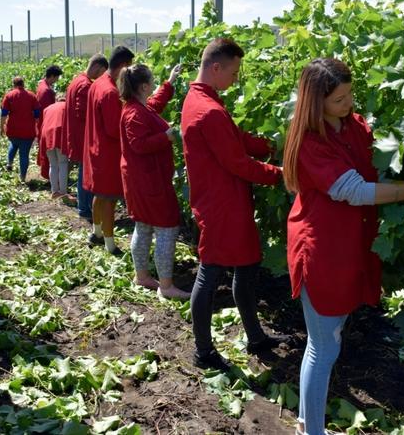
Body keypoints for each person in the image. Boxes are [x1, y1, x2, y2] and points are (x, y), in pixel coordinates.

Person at [282, 58, 404, 435]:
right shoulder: (312, 142)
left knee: (332, 338)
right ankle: (311, 430)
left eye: (350, 94)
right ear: (317, 102)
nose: (349, 103)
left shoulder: (353, 125)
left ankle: (308, 421)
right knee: (323, 348)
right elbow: (355, 191)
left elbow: (385, 158)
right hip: (323, 250)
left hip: (349, 245)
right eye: (339, 99)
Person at [180, 38, 284, 371]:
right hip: (221, 204)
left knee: (247, 264)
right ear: (215, 68)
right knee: (209, 273)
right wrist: (281, 174)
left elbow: (237, 140)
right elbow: (237, 162)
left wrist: (270, 146)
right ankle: (203, 351)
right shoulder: (207, 110)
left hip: (227, 200)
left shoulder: (203, 100)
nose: (236, 79)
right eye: (234, 72)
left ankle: (255, 337)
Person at [118, 63, 192, 300]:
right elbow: (139, 145)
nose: (154, 84)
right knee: (167, 228)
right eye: (153, 81)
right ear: (143, 86)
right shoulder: (134, 114)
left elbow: (155, 104)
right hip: (149, 181)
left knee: (144, 226)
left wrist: (169, 82)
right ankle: (166, 286)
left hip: (141, 180)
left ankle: (142, 276)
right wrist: (167, 137)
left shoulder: (138, 107)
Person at [82, 46, 134, 256]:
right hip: (108, 153)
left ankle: (96, 233)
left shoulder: (98, 84)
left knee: (99, 195)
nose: (128, 73)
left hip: (96, 149)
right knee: (110, 199)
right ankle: (110, 245)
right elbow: (114, 129)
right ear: (121, 66)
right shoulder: (111, 92)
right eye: (128, 68)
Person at [63, 55, 109, 220]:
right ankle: (84, 208)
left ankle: (84, 206)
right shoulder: (85, 85)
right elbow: (82, 112)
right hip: (83, 137)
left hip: (76, 134)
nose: (102, 77)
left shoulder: (77, 81)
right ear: (97, 66)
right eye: (103, 72)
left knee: (83, 171)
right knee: (86, 172)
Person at [1, 76, 40, 182]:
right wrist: (38, 127)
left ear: (14, 84)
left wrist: (2, 127)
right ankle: (22, 177)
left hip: (13, 129)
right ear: (23, 84)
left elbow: (4, 113)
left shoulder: (9, 95)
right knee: (24, 154)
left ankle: (9, 163)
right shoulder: (31, 96)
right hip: (28, 131)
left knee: (13, 144)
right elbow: (37, 114)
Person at [38, 99, 70, 198]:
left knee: (53, 164)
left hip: (46, 135)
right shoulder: (67, 106)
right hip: (60, 133)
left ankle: (54, 191)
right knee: (63, 163)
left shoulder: (48, 108)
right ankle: (63, 191)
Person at [35, 65, 62, 134]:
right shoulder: (46, 90)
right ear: (52, 76)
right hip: (45, 123)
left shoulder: (42, 85)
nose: (57, 80)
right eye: (57, 78)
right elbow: (47, 110)